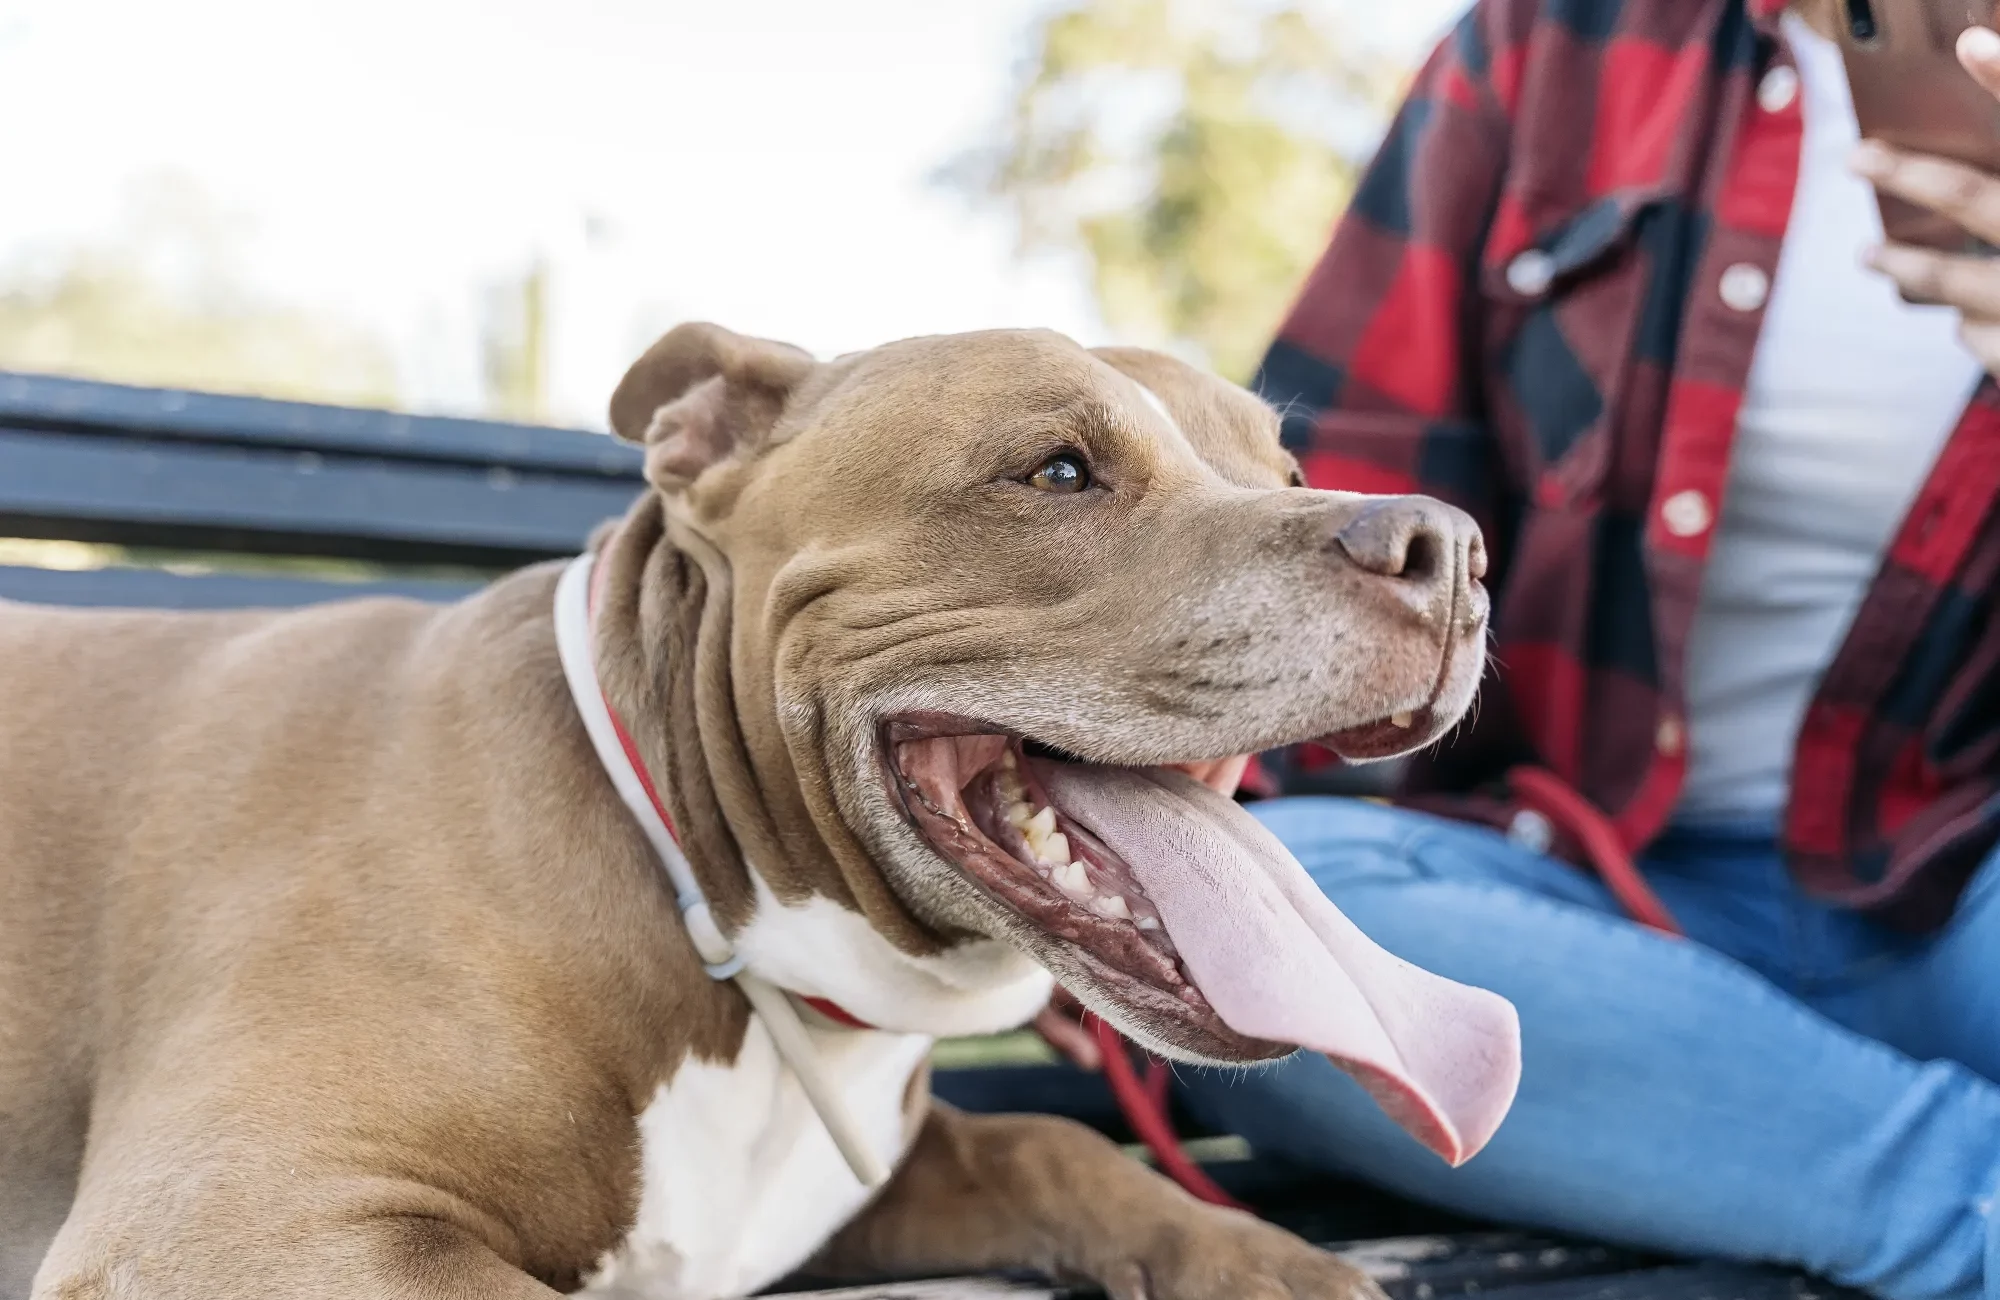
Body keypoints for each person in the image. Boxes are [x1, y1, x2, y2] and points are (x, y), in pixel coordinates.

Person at [1041, 2, 2000, 1297]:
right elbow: (1343, 485)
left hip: (1963, 901)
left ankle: (1806, 1158)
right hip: (1588, 915)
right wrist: (1137, 857)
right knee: (1234, 935)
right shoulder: (1556, 42)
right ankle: (1960, 1206)